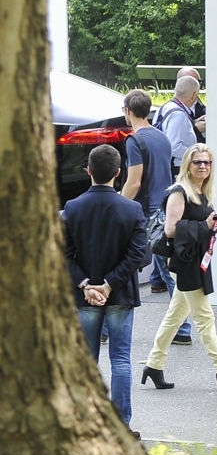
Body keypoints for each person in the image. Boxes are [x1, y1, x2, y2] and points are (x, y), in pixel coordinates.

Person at [141, 144, 217, 392]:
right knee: (204, 318)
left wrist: (216, 227)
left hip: (197, 259)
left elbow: (201, 225)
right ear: (187, 165)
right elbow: (170, 229)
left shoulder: (203, 191)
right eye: (197, 162)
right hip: (184, 262)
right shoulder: (179, 192)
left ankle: (154, 365)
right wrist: (206, 226)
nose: (203, 166)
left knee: (175, 316)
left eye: (207, 162)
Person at [62, 145, 147, 432]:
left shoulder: (72, 208)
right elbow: (137, 255)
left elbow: (64, 255)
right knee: (121, 359)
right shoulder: (132, 209)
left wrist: (87, 285)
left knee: (88, 361)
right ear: (118, 173)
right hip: (120, 294)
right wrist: (110, 284)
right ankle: (122, 426)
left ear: (88, 171)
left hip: (84, 296)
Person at [122, 89, 192, 343]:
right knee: (165, 269)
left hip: (147, 212)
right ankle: (181, 328)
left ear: (128, 111)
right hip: (165, 208)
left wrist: (118, 204)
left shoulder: (134, 141)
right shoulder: (161, 137)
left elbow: (134, 182)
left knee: (164, 270)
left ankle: (183, 329)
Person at [156, 75, 199, 176]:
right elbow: (174, 146)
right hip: (177, 169)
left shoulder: (163, 108)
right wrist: (195, 156)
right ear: (194, 95)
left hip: (164, 165)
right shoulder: (179, 114)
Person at [176, 66, 207, 144]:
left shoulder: (200, 106)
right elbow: (174, 144)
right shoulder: (174, 111)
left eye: (199, 82)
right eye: (194, 82)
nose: (198, 86)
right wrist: (195, 128)